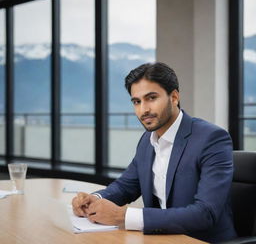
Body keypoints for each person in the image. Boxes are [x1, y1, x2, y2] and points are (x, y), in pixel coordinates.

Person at [72, 62, 237, 243]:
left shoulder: (212, 139)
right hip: (162, 239)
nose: (143, 110)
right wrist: (94, 199)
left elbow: (205, 213)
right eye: (137, 101)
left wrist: (124, 216)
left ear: (174, 97)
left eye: (151, 98)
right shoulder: (147, 140)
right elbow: (125, 186)